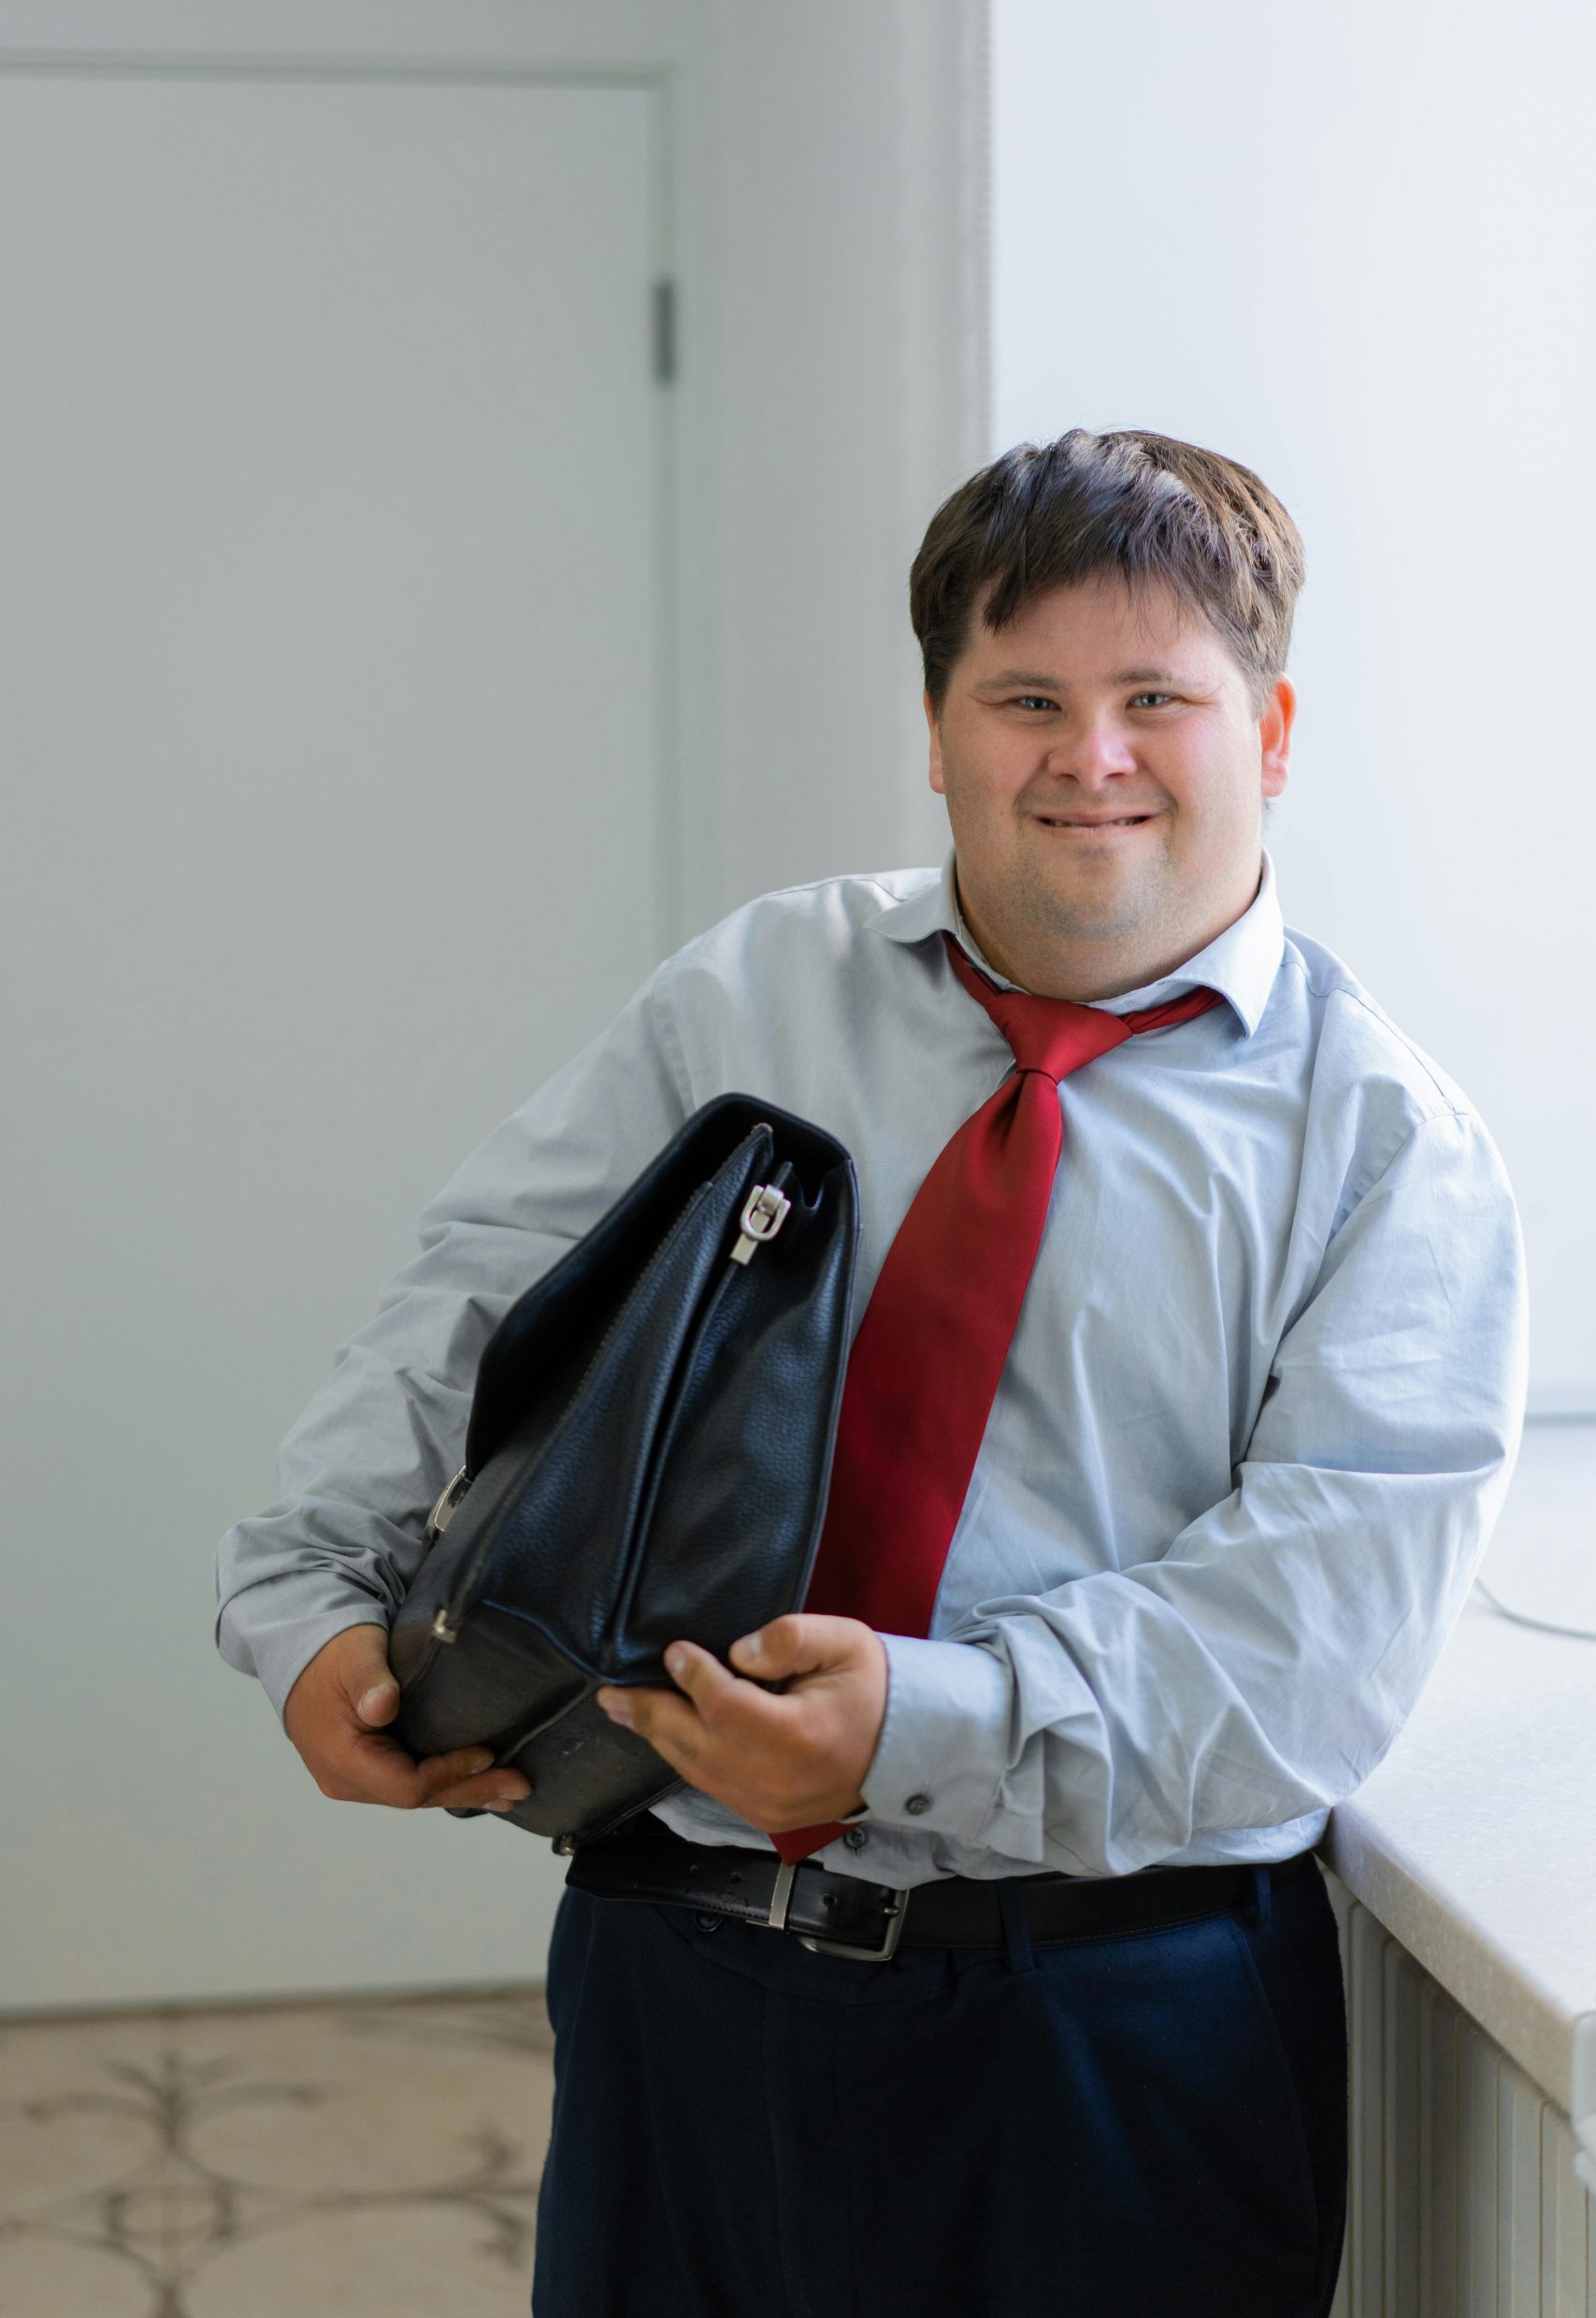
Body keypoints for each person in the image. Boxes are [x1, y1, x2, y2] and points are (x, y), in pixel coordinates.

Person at [214, 427, 1528, 2318]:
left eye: (1155, 695)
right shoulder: (752, 995)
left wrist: (925, 1717)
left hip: (1115, 2027)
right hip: (679, 1965)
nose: (1088, 756)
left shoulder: (1384, 1142)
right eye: (1024, 698)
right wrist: (303, 1599)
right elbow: (484, 1294)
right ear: (934, 728)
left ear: (1273, 726)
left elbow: (1307, 1643)